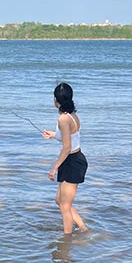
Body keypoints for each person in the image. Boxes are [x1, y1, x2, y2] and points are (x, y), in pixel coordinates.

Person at [42, 82, 88, 234]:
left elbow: (67, 148)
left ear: (56, 100)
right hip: (74, 159)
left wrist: (54, 168)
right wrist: (55, 135)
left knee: (64, 205)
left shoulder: (63, 119)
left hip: (72, 161)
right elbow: (70, 138)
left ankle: (66, 242)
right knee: (60, 201)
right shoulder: (72, 115)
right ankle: (83, 228)